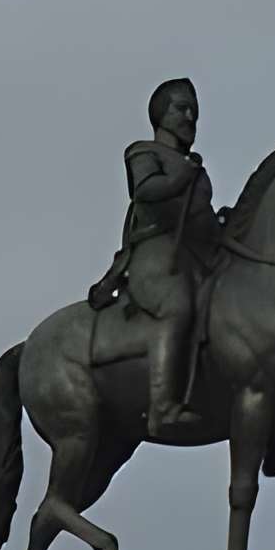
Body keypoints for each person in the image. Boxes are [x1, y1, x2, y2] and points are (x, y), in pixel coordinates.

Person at [88, 77, 215, 436]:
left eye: (194, 111)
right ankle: (163, 408)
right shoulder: (143, 152)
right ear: (160, 114)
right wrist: (181, 178)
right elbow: (145, 190)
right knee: (177, 306)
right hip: (155, 254)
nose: (190, 117)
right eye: (181, 109)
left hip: (197, 256)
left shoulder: (193, 167)